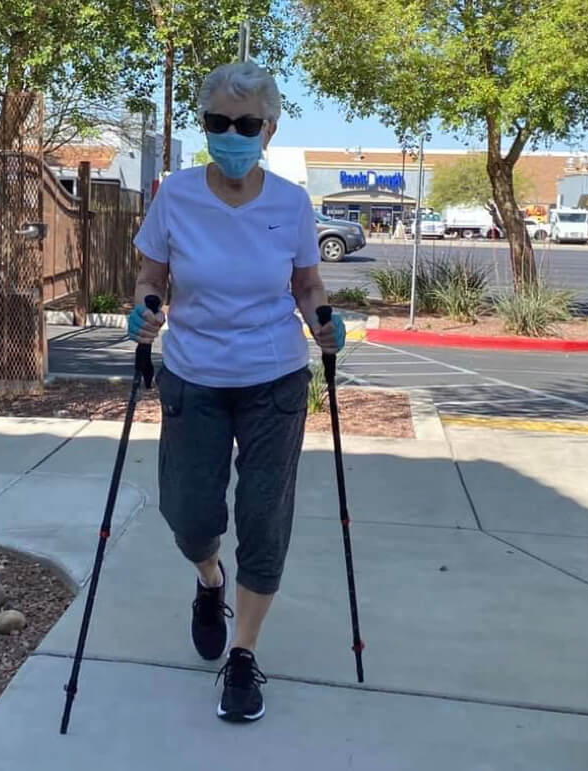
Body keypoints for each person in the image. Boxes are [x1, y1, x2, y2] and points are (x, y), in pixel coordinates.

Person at [128, 60, 346, 723]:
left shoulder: (290, 204)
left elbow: (307, 285)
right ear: (204, 125)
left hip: (274, 380)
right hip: (193, 375)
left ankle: (244, 657)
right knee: (189, 514)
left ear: (269, 129)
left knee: (263, 520)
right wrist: (143, 308)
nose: (231, 134)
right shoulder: (177, 195)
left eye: (245, 124)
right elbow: (150, 273)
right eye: (217, 122)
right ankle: (208, 580)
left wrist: (321, 321)